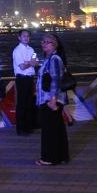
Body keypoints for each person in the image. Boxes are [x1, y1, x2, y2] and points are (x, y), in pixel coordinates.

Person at [35, 33, 69, 166]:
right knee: (56, 129)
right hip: (50, 99)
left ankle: (48, 158)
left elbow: (55, 80)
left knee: (49, 130)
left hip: (49, 100)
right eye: (42, 42)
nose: (44, 44)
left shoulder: (54, 59)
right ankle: (60, 156)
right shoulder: (49, 59)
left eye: (47, 42)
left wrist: (53, 99)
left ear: (54, 45)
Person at [11, 29, 38, 135]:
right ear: (19, 38)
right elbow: (22, 67)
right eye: (24, 36)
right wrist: (30, 63)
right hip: (22, 78)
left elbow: (36, 62)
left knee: (29, 103)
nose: (26, 38)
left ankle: (28, 127)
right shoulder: (17, 50)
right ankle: (21, 129)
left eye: (28, 36)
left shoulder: (31, 49)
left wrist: (29, 63)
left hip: (30, 78)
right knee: (22, 104)